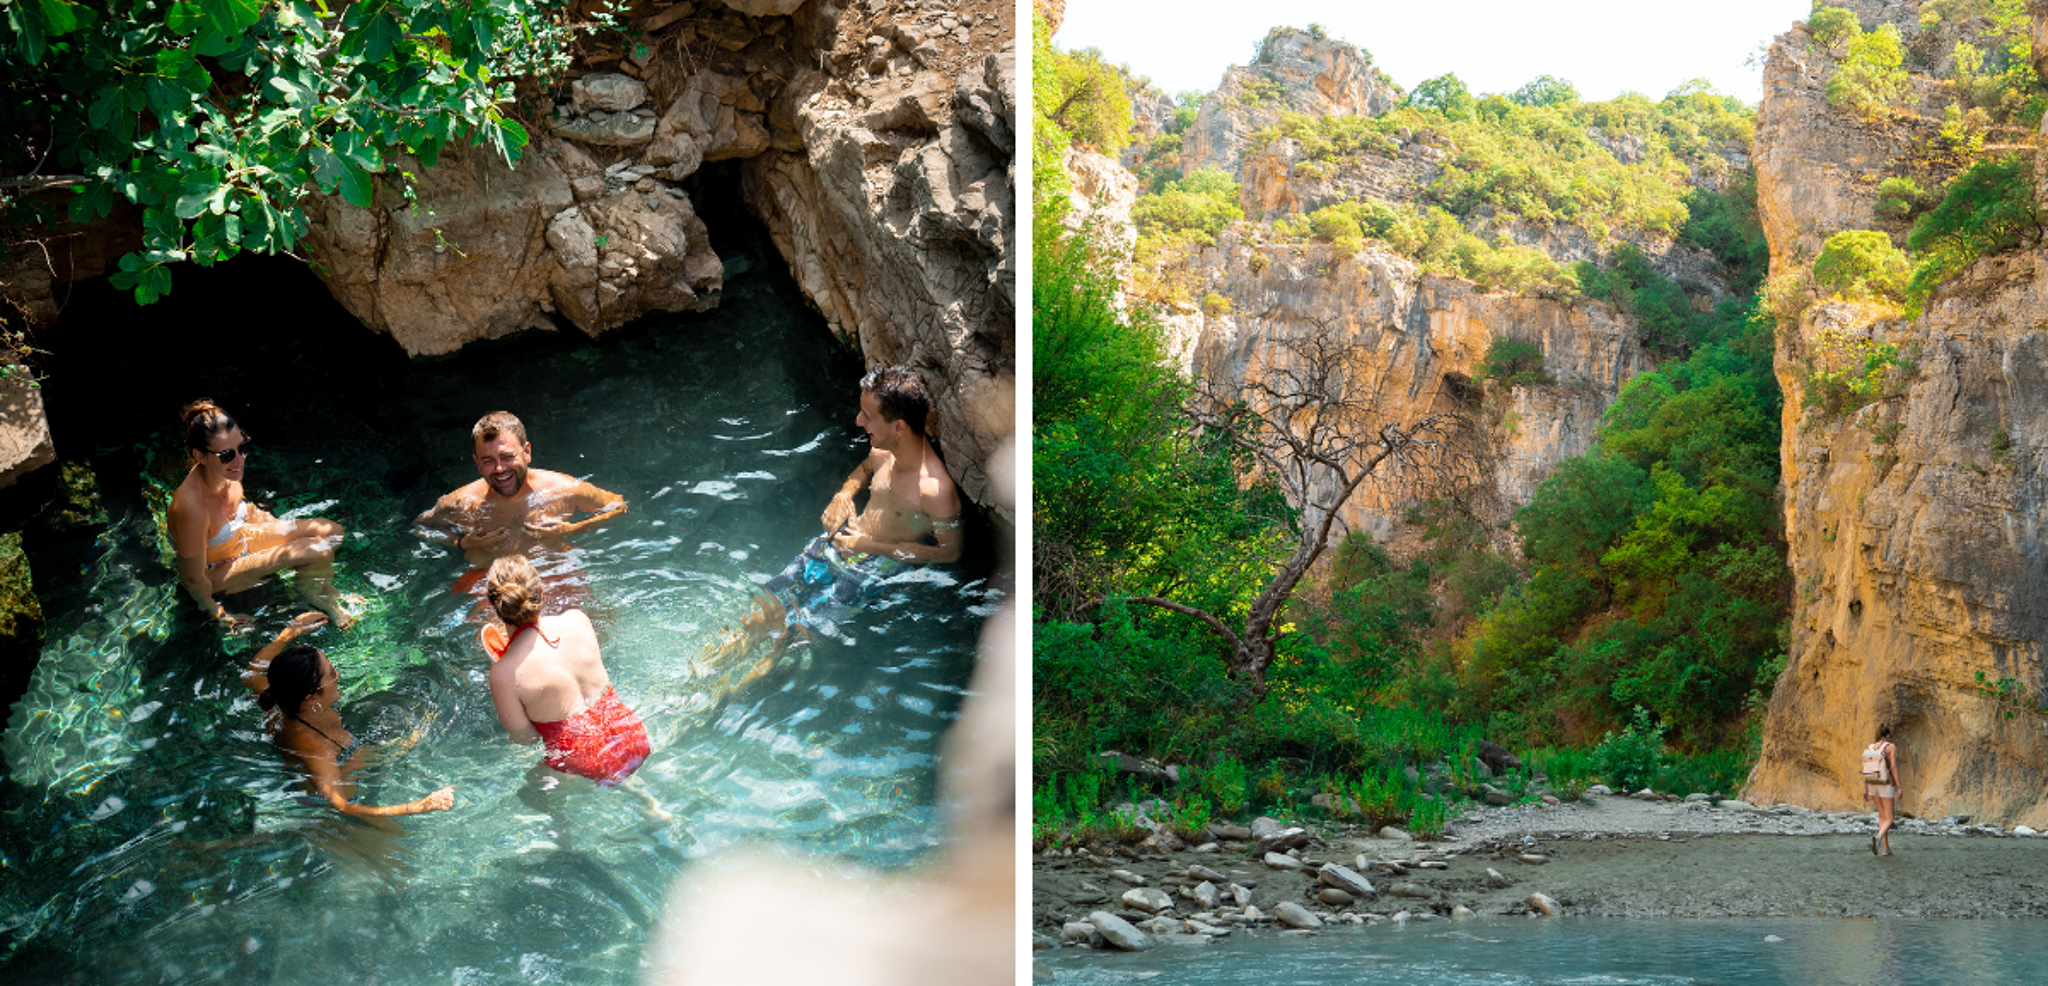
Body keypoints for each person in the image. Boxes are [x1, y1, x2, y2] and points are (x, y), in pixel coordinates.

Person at [705, 366, 963, 666]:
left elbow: (949, 552)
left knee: (793, 638)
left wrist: (869, 547)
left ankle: (726, 698)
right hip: (834, 544)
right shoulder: (882, 452)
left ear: (899, 427)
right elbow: (863, 471)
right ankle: (704, 673)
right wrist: (843, 495)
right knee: (762, 610)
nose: (858, 420)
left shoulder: (935, 490)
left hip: (865, 570)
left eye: (867, 415)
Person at [482, 555, 665, 818]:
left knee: (532, 789)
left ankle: (561, 834)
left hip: (585, 762)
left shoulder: (503, 673)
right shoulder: (577, 619)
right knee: (618, 765)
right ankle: (650, 803)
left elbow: (526, 740)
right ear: (541, 591)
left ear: (495, 607)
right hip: (633, 735)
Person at [241, 612, 456, 819]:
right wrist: (420, 806)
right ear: (311, 698)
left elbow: (250, 674)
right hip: (323, 801)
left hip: (340, 759)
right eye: (332, 673)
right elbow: (342, 806)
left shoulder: (281, 694)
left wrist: (291, 632)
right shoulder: (316, 747)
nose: (338, 675)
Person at [413, 411, 627, 614]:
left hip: (551, 569)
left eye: (507, 456)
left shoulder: (563, 489)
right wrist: (462, 543)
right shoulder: (461, 502)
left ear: (527, 452)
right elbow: (422, 525)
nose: (499, 469)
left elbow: (618, 506)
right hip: (490, 576)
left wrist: (573, 529)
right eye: (488, 461)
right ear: (477, 463)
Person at [167, 400, 355, 631]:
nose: (239, 460)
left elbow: (247, 510)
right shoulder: (191, 507)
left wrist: (280, 531)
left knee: (331, 532)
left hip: (241, 540)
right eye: (226, 455)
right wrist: (220, 615)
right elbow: (192, 579)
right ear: (200, 456)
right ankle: (318, 597)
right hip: (216, 572)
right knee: (316, 549)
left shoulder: (227, 472)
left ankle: (320, 586)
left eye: (242, 448)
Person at [1864, 724, 1902, 856]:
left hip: (1873, 783)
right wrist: (1899, 786)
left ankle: (1886, 849)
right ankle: (1878, 838)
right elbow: (1893, 767)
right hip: (1885, 784)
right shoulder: (1890, 747)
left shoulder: (1870, 747)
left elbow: (1866, 767)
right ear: (1887, 735)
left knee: (1882, 816)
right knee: (1890, 818)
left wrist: (1865, 788)